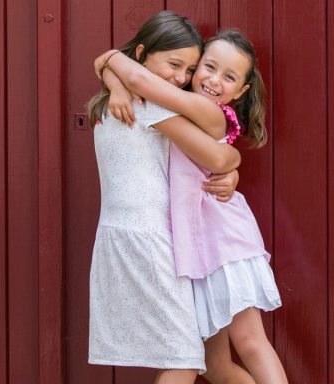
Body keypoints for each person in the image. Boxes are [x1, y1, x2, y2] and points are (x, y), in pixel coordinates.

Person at [96, 29, 288, 384]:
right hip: (194, 249)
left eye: (229, 77)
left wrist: (111, 66)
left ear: (242, 91)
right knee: (215, 367)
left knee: (249, 341)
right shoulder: (176, 105)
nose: (213, 80)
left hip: (225, 241)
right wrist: (113, 77)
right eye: (207, 67)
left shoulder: (204, 112)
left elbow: (139, 78)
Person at [86, 12, 242, 384]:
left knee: (199, 358)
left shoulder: (116, 100)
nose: (180, 79)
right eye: (174, 64)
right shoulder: (149, 105)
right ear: (142, 54)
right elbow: (221, 156)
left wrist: (111, 70)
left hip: (130, 236)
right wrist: (233, 166)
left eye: (188, 71)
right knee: (184, 358)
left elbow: (112, 63)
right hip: (149, 240)